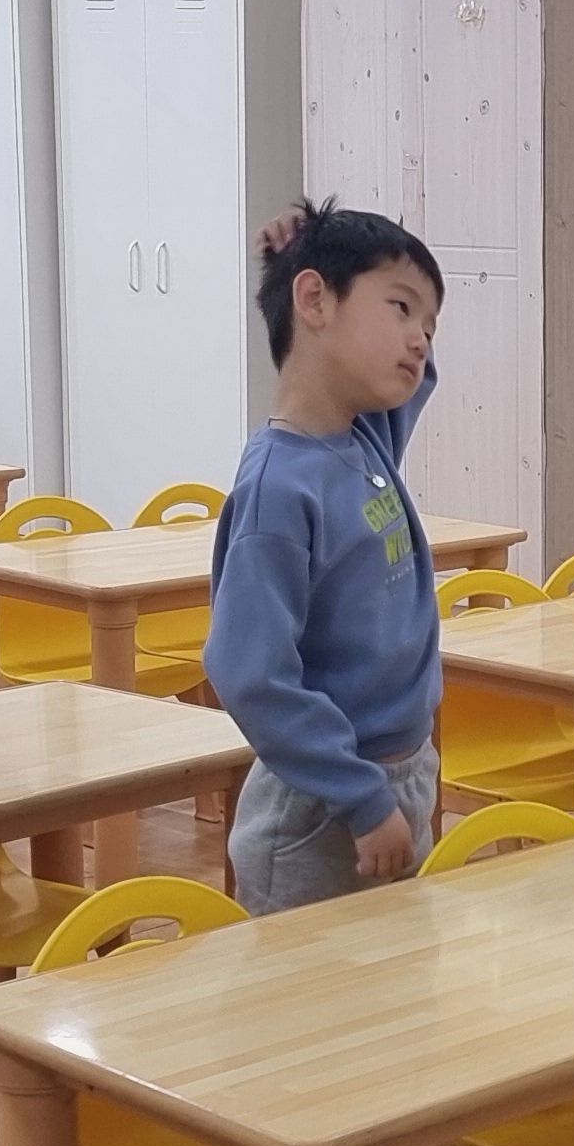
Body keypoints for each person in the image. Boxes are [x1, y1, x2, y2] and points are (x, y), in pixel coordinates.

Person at [203, 203, 447, 912]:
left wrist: (297, 258)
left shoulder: (365, 439)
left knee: (392, 975)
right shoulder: (280, 488)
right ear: (314, 300)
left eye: (429, 326)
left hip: (397, 776)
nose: (419, 340)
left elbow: (411, 374)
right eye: (401, 307)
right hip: (320, 806)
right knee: (311, 983)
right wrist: (361, 798)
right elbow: (249, 673)